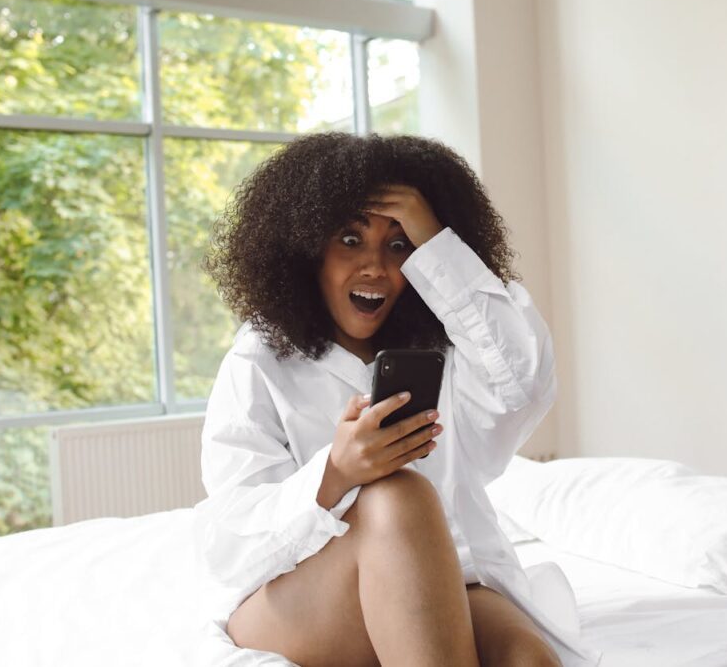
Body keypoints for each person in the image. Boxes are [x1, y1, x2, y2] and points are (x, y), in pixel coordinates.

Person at [192, 132, 593, 666]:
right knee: (397, 496)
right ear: (307, 248)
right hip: (300, 596)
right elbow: (229, 548)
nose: (376, 267)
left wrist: (437, 243)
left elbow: (523, 379)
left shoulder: (453, 349)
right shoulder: (258, 362)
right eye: (351, 240)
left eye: (399, 244)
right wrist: (334, 475)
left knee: (531, 662)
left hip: (451, 579)